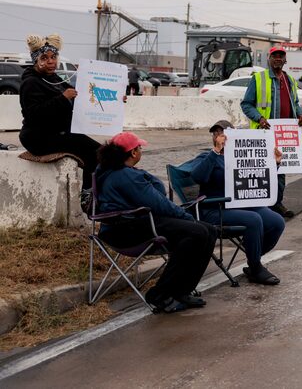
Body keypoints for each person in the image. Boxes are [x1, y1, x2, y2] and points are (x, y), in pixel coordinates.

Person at [95, 132, 217, 313]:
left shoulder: (117, 171)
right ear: (134, 153)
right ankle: (160, 294)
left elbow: (156, 189)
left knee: (209, 231)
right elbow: (159, 203)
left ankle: (180, 291)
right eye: (139, 148)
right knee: (197, 231)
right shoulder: (125, 176)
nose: (141, 151)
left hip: (131, 224)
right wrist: (187, 217)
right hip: (126, 229)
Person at [187, 120, 285, 285]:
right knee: (253, 220)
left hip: (241, 205)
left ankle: (254, 257)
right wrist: (216, 151)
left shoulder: (243, 154)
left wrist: (275, 163)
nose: (219, 136)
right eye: (215, 133)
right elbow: (198, 176)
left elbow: (259, 178)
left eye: (222, 132)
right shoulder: (207, 156)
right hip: (215, 208)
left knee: (276, 221)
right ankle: (255, 267)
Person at [19, 34, 100, 210]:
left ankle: (92, 194)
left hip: (59, 132)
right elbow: (34, 114)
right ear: (36, 60)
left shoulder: (55, 79)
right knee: (95, 153)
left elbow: (78, 101)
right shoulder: (31, 83)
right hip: (38, 137)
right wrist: (63, 99)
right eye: (44, 58)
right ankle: (88, 198)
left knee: (100, 151)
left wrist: (113, 102)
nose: (50, 61)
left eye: (53, 57)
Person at [240, 46, 302, 219]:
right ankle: (263, 206)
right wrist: (260, 118)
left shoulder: (290, 80)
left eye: (281, 56)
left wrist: (300, 114)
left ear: (285, 60)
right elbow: (246, 104)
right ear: (269, 59)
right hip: (264, 134)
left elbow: (295, 102)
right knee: (263, 171)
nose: (278, 58)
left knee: (280, 171)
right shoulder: (258, 79)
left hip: (284, 134)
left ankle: (277, 204)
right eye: (274, 56)